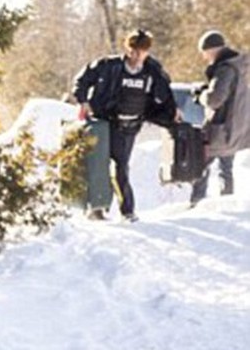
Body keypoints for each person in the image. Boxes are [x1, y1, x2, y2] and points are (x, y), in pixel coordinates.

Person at [72, 28, 180, 221]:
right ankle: (100, 208)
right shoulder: (108, 65)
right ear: (127, 48)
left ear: (147, 51)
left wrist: (173, 111)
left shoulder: (153, 70)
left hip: (129, 126)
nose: (137, 55)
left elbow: (165, 94)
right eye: (133, 50)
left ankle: (126, 211)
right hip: (105, 123)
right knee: (101, 165)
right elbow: (81, 80)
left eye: (141, 51)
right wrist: (84, 101)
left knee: (121, 167)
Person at [191, 30, 250, 205]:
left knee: (201, 163)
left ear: (211, 50)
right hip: (236, 127)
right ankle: (227, 201)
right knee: (226, 168)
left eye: (204, 53)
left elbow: (214, 99)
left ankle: (197, 201)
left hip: (220, 128)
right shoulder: (241, 67)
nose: (204, 58)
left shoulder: (224, 69)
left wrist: (200, 94)